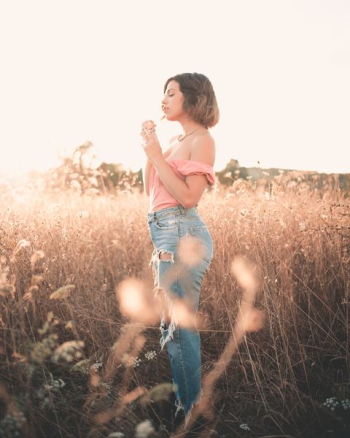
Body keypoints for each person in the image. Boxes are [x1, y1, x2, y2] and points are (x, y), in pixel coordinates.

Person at [141, 72, 219, 427]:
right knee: (170, 327)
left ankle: (191, 415)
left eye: (171, 93)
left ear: (192, 98)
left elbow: (188, 198)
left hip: (182, 234)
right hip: (164, 234)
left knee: (180, 327)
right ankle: (186, 407)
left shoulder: (202, 139)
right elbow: (151, 190)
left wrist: (158, 156)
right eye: (163, 93)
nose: (164, 99)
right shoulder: (175, 140)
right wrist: (151, 148)